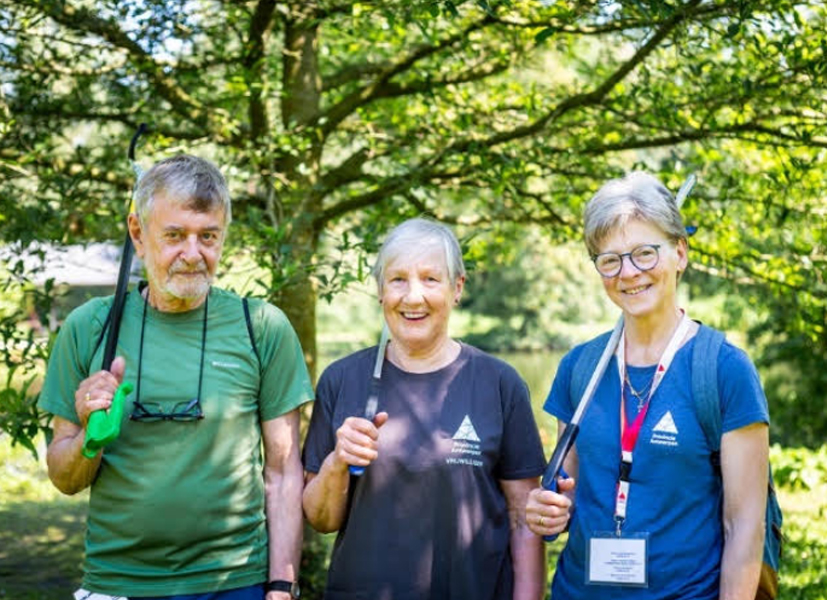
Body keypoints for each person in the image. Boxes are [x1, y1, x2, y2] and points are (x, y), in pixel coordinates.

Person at [40, 154, 314, 600]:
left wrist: (282, 586)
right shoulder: (91, 328)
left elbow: (283, 473)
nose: (193, 254)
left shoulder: (260, 326)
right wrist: (91, 436)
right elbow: (65, 479)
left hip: (234, 582)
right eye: (174, 236)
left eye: (208, 236)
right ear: (138, 234)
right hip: (118, 582)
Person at [525, 172, 770, 600]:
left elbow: (744, 526)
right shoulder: (579, 368)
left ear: (680, 252)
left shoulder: (725, 371)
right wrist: (546, 513)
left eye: (644, 253)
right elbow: (565, 491)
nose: (629, 272)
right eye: (611, 259)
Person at [301, 217, 547, 600]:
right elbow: (320, 519)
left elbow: (523, 519)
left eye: (431, 279)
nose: (413, 296)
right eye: (398, 279)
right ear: (381, 290)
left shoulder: (500, 383)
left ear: (457, 288)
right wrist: (337, 462)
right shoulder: (341, 380)